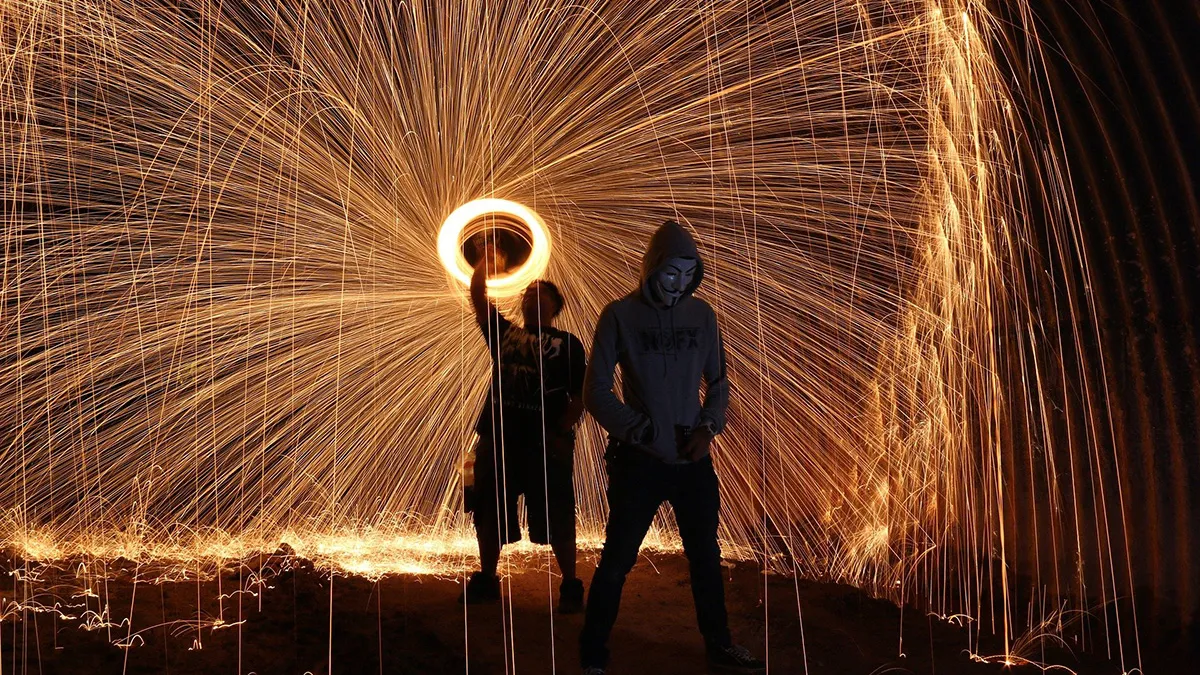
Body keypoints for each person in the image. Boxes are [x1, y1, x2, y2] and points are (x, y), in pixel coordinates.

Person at [578, 220, 766, 673]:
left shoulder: (703, 316)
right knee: (618, 559)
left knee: (705, 556)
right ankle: (592, 655)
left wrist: (709, 427)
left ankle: (719, 644)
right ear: (651, 268)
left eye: (688, 274)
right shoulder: (619, 315)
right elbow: (595, 390)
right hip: (638, 462)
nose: (679, 285)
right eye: (671, 274)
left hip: (692, 460)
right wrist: (637, 430)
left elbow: (719, 382)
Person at [460, 236, 587, 614]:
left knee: (558, 512)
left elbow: (581, 394)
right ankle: (487, 579)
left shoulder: (568, 344)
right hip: (498, 441)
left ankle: (570, 584)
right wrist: (485, 259)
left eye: (540, 293)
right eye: (528, 292)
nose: (531, 296)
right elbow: (479, 298)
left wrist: (562, 431)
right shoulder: (506, 334)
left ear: (555, 306)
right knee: (488, 509)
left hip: (544, 445)